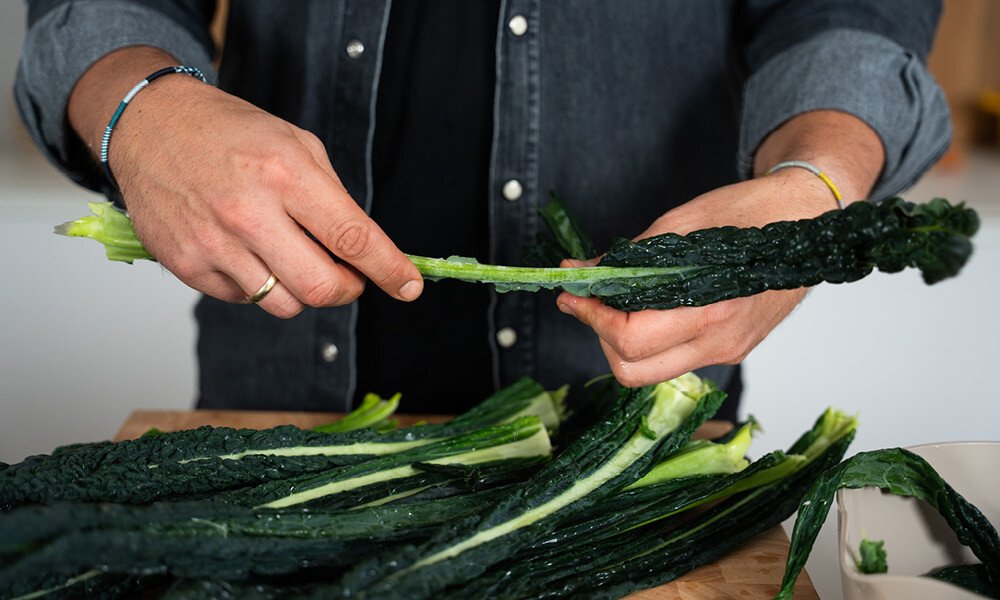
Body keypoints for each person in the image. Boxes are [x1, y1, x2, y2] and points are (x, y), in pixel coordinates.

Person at [16, 1, 950, 419]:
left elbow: (847, 10)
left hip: (627, 435)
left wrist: (814, 190)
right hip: (274, 408)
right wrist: (140, 109)